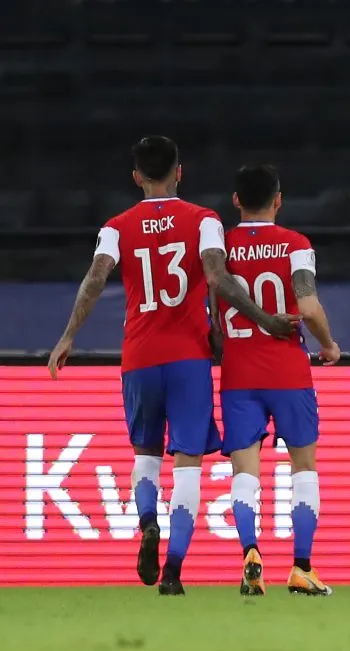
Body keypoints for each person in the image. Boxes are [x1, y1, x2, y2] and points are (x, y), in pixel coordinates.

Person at [47, 136, 297, 595]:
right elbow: (219, 278)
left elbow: (95, 278)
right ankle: (174, 573)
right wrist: (264, 321)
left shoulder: (115, 227)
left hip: (139, 356)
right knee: (188, 463)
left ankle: (147, 523)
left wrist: (67, 336)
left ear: (137, 176)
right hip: (188, 359)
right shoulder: (204, 220)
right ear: (179, 172)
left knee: (145, 455)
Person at [217, 164, 340, 597]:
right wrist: (328, 345)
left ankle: (250, 552)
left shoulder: (220, 246)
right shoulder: (295, 245)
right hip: (288, 370)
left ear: (236, 201)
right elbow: (308, 306)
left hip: (237, 372)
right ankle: (302, 567)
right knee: (303, 469)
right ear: (279, 199)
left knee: (244, 474)